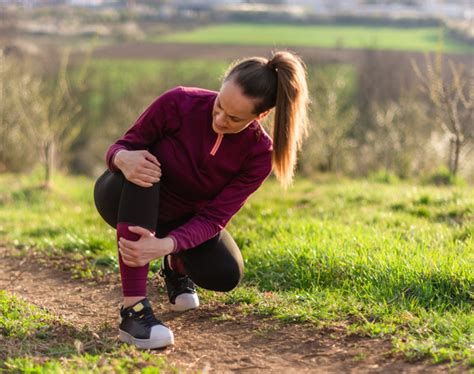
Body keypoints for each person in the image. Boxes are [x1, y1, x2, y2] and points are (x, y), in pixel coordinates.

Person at [93, 51, 310, 349]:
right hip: (124, 196)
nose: (220, 119)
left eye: (234, 118)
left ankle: (175, 266)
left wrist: (166, 245)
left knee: (225, 273)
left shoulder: (259, 154)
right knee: (145, 169)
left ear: (260, 116)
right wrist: (121, 158)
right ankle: (133, 312)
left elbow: (214, 218)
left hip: (183, 219)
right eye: (219, 105)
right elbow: (124, 145)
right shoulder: (178, 102)